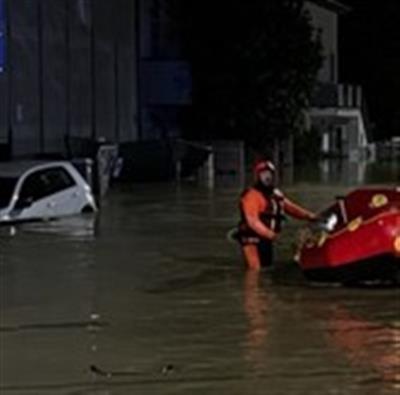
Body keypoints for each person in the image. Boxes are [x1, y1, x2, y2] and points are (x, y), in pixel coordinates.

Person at [235, 159, 316, 271]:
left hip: (267, 238)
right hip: (251, 238)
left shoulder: (275, 193)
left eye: (270, 174)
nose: (267, 177)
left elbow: (290, 208)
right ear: (257, 176)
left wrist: (310, 216)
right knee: (255, 270)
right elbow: (253, 222)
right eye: (263, 174)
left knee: (267, 267)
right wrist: (272, 235)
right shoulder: (251, 196)